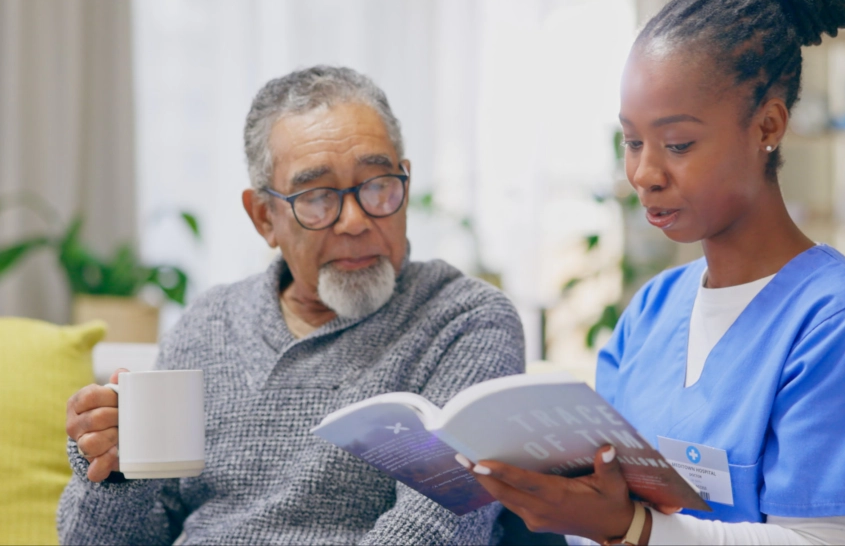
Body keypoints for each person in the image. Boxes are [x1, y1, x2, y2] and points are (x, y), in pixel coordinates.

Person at [459, 0, 845, 545]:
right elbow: (602, 504)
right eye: (632, 142)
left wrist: (632, 529)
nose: (644, 174)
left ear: (767, 126)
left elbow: (829, 541)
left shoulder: (843, 327)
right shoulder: (652, 312)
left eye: (678, 144)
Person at [58, 66, 525, 545]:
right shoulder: (207, 325)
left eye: (378, 185)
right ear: (264, 217)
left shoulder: (465, 319)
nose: (354, 221)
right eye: (318, 197)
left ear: (404, 181)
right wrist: (112, 470)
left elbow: (437, 528)